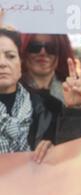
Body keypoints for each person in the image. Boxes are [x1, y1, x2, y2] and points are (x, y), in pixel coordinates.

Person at [0, 29, 54, 161]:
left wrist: (52, 150)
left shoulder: (46, 108)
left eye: (10, 56)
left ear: (20, 64)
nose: (2, 63)